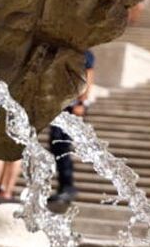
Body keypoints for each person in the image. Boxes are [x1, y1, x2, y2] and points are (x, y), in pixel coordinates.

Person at [48, 49, 95, 204]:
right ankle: (63, 185)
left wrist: (82, 102)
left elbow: (88, 77)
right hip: (61, 104)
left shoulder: (85, 52)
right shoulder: (69, 48)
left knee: (62, 144)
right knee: (56, 144)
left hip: (72, 104)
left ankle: (68, 186)